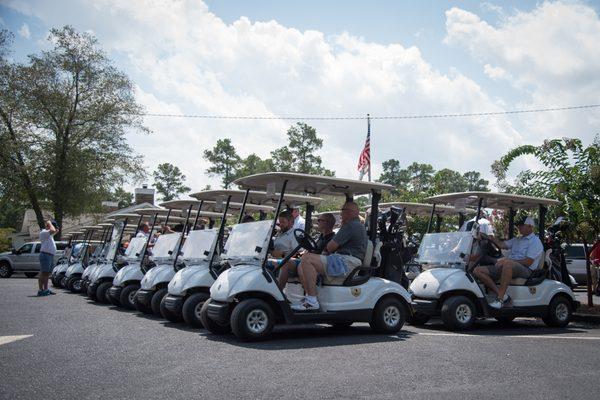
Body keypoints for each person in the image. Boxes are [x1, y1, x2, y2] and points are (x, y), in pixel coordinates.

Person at [292, 202, 367, 311]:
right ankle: (311, 298)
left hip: (347, 261)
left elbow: (331, 247)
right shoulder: (356, 225)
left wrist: (326, 250)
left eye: (343, 211)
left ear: (350, 212)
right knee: (302, 265)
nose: (341, 214)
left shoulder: (350, 225)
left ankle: (312, 300)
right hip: (345, 260)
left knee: (307, 258)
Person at [473, 216, 544, 309]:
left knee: (507, 264)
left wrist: (507, 260)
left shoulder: (535, 241)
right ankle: (504, 296)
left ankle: (500, 299)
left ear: (530, 226)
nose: (519, 227)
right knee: (477, 270)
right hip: (510, 266)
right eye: (518, 225)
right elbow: (501, 245)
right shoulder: (517, 239)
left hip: (526, 270)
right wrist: (490, 237)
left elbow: (528, 262)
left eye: (522, 225)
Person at [277, 212, 336, 290]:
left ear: (327, 223)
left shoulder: (332, 239)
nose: (317, 222)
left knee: (300, 266)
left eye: (319, 220)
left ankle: (309, 295)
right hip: (307, 259)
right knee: (285, 262)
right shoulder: (319, 237)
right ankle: (279, 292)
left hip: (315, 264)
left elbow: (325, 255)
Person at [38, 220, 59, 296]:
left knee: (47, 273)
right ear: (48, 226)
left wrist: (55, 229)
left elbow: (55, 231)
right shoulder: (44, 232)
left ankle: (46, 289)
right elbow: (53, 230)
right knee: (43, 272)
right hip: (45, 255)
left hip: (49, 255)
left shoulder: (48, 234)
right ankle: (40, 290)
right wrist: (49, 222)